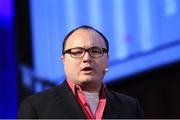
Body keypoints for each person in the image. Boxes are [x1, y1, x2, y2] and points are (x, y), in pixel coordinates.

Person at [18, 25, 144, 119]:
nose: (87, 58)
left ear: (107, 60)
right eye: (77, 52)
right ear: (64, 60)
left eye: (95, 51)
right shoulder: (36, 107)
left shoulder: (130, 107)